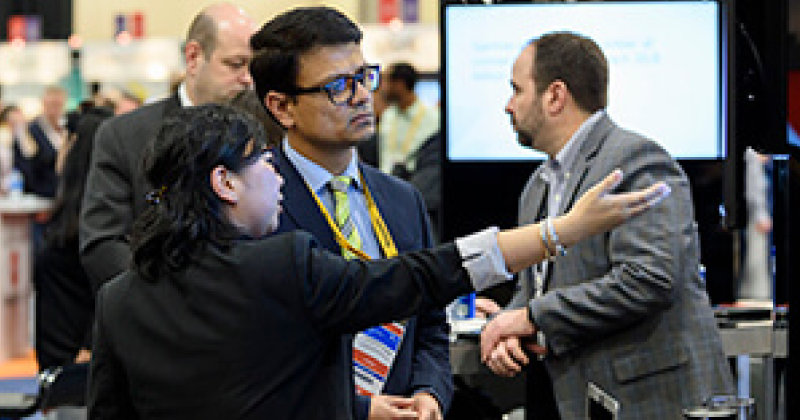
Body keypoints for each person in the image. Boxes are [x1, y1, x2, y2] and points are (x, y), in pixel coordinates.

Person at [87, 104, 669, 420]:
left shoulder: (119, 299)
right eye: (260, 162)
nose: (275, 174)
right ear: (225, 184)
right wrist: (559, 232)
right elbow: (421, 276)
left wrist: (356, 407)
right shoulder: (283, 267)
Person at [477, 32, 734, 419]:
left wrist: (530, 317)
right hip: (576, 398)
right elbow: (537, 286)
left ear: (555, 96)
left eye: (516, 90)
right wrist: (506, 325)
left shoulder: (635, 160)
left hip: (651, 401)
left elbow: (648, 279)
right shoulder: (537, 187)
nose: (508, 105)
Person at [249, 7, 448, 420]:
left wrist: (430, 392)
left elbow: (430, 327)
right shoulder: (252, 205)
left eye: (364, 76)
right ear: (282, 107)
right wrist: (358, 410)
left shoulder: (402, 200)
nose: (361, 96)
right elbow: (252, 356)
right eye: (338, 86)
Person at [79, 2, 255, 291]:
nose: (247, 79)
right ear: (194, 57)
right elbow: (102, 244)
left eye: (253, 66)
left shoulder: (263, 136)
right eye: (235, 64)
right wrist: (166, 305)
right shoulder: (125, 136)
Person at [35, 106, 114, 372]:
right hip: (64, 360)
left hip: (79, 364)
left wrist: (91, 346)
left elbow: (108, 286)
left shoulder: (92, 222)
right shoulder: (74, 213)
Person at [378, 62, 439, 175]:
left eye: (385, 81)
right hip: (384, 183)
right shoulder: (388, 115)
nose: (382, 87)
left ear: (400, 84)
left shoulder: (434, 118)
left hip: (418, 184)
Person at [16, 86, 68, 199]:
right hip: (39, 195)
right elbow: (27, 166)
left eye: (58, 104)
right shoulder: (29, 130)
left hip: (65, 194)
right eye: (52, 104)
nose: (55, 108)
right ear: (43, 103)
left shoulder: (67, 129)